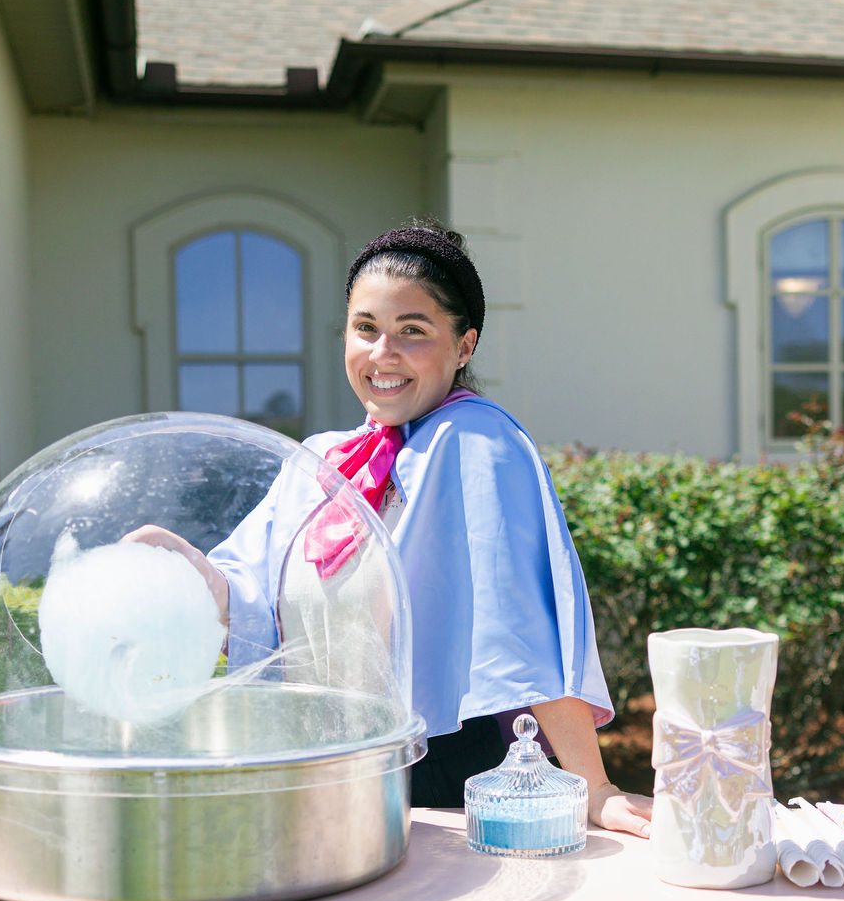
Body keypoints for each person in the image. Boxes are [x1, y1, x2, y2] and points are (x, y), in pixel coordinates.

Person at [136, 220, 653, 837]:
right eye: (366, 329)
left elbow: (521, 622)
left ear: (464, 346)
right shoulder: (322, 460)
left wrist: (593, 788)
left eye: (413, 332)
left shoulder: (476, 441)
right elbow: (247, 604)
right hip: (323, 775)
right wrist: (182, 567)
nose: (383, 354)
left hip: (438, 784)